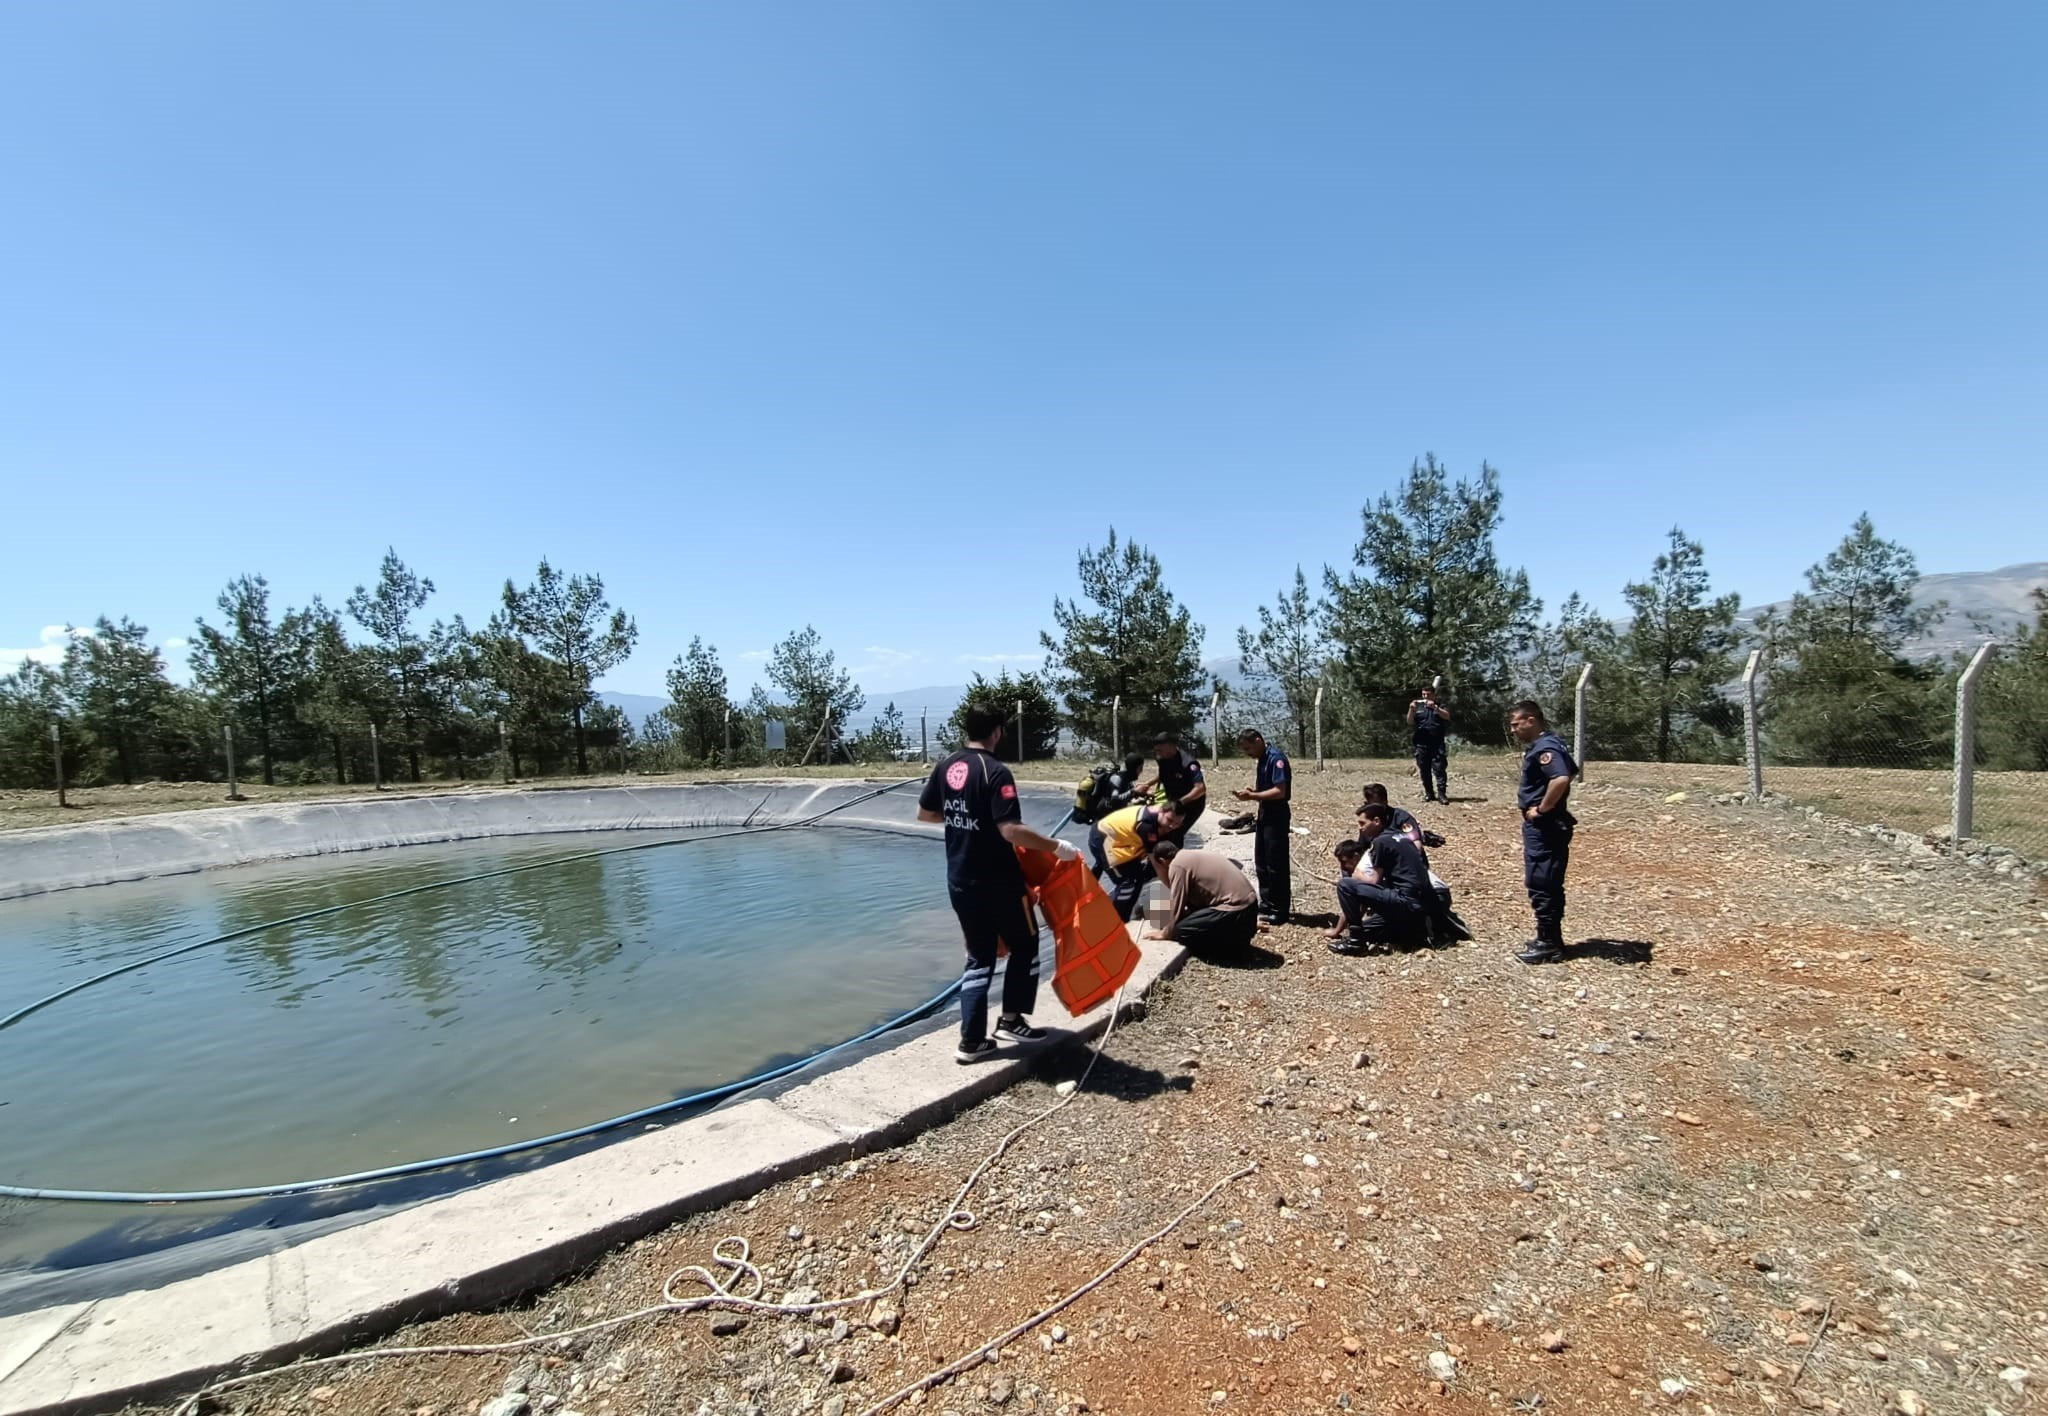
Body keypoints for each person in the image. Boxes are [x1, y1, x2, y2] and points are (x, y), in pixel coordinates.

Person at [918, 702, 1076, 1062]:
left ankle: (971, 1042)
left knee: (979, 958)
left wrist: (965, 818)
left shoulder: (946, 765)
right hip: (1000, 882)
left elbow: (925, 814)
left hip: (960, 879)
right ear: (998, 732)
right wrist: (1056, 847)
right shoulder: (996, 772)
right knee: (1026, 945)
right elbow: (1011, 831)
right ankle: (1011, 1020)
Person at [1509, 699, 1578, 965]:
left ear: (1531, 720)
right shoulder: (1551, 743)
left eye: (1516, 724)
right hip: (1548, 825)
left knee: (1542, 882)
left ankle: (1549, 944)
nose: (1513, 730)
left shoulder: (1545, 747)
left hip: (1546, 826)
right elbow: (1570, 771)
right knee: (1545, 881)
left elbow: (1560, 778)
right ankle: (1548, 938)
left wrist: (1542, 808)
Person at [1327, 803, 1434, 953]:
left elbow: (1373, 882)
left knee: (1345, 885)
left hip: (1405, 902)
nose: (1360, 828)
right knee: (1367, 930)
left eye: (1363, 823)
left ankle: (1356, 942)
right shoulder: (1401, 836)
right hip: (1422, 905)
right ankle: (1411, 933)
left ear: (1376, 821)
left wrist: (1357, 876)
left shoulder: (1380, 842)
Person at [1140, 841, 1259, 954]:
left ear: (1162, 861)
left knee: (1182, 931)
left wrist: (1166, 933)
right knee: (1190, 919)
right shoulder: (1191, 855)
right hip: (1250, 906)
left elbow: (1177, 902)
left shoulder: (1177, 865)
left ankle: (1228, 950)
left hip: (1235, 909)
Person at [1230, 727, 1291, 927]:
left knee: (1276, 864)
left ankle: (1279, 910)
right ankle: (1266, 904)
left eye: (1248, 748)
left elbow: (1280, 791)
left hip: (1277, 814)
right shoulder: (1263, 759)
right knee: (1262, 861)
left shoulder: (1276, 758)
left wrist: (1253, 796)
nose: (1247, 753)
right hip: (1265, 812)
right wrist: (1253, 792)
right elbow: (1267, 788)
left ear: (1258, 741)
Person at [1087, 798, 1186, 921]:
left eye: (1177, 824)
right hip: (1104, 839)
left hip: (1124, 841)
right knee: (1127, 882)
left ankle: (1124, 916)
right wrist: (1173, 890)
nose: (1172, 826)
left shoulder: (1164, 818)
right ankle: (1113, 920)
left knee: (1138, 878)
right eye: (1169, 820)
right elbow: (1157, 864)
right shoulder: (1147, 826)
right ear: (1161, 811)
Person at [1135, 732, 1207, 845]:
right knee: (1161, 827)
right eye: (1156, 750)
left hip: (1191, 804)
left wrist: (1181, 802)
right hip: (1173, 800)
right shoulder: (1162, 758)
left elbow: (1200, 788)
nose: (1157, 753)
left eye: (1160, 750)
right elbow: (1163, 775)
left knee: (1175, 833)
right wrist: (1147, 784)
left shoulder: (1188, 763)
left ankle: (1174, 854)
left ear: (1171, 746)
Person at [1406, 686, 1451, 803]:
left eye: (1428, 694)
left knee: (1439, 769)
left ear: (1434, 695)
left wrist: (1435, 708)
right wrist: (1411, 709)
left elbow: (1447, 716)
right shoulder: (1418, 706)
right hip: (1421, 743)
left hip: (1437, 743)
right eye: (1423, 694)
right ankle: (1429, 793)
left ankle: (1442, 794)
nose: (1425, 697)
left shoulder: (1440, 705)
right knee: (1424, 770)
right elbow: (1410, 721)